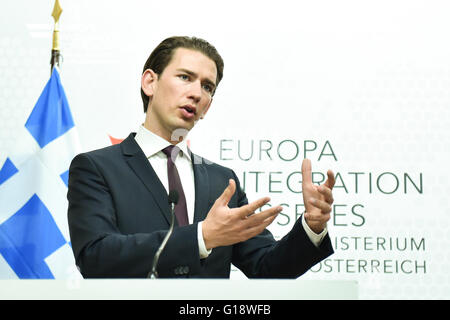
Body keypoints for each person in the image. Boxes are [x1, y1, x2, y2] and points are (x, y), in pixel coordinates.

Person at [67, 36, 335, 278]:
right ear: (150, 82)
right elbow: (95, 256)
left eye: (207, 87)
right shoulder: (96, 168)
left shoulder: (222, 180)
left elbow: (267, 268)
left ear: (208, 107)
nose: (196, 93)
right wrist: (201, 237)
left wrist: (312, 227)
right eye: (185, 77)